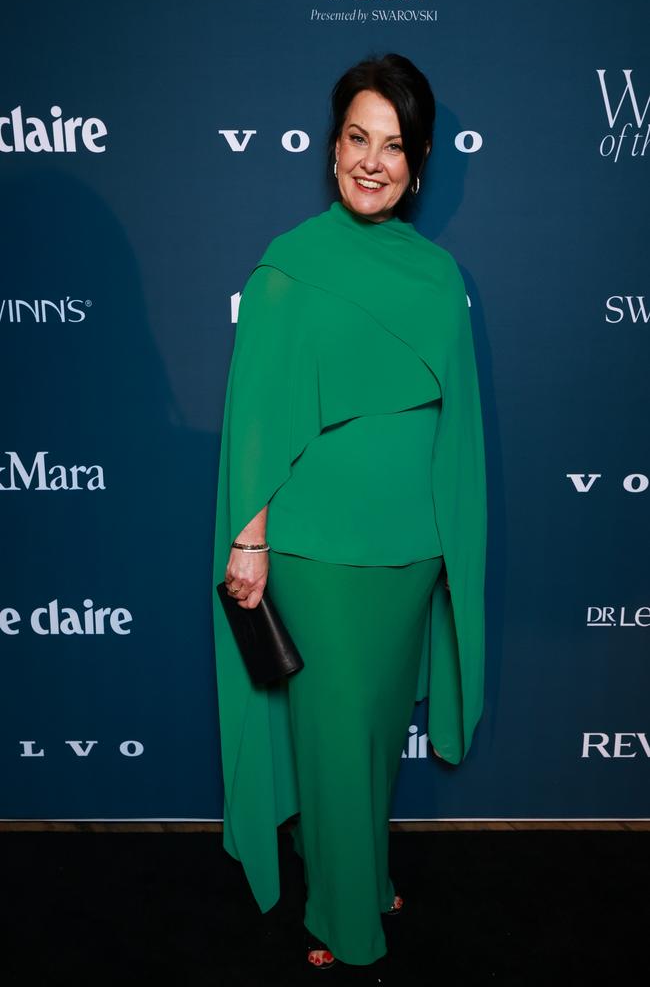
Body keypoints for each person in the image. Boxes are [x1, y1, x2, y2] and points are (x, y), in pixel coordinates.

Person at [211, 52, 488, 971]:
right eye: (358, 139)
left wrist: (454, 547)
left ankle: (360, 874)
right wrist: (249, 539)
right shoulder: (290, 266)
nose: (373, 161)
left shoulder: (440, 275)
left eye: (394, 145)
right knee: (331, 738)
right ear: (333, 150)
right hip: (318, 550)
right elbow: (255, 418)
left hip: (408, 550)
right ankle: (343, 918)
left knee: (370, 737)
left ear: (416, 165)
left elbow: (460, 429)